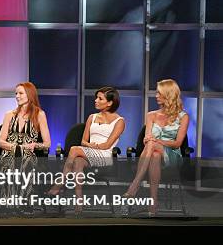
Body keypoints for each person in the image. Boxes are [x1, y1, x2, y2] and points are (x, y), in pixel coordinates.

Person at [47, 87, 125, 213]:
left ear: (110, 102)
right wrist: (90, 146)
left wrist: (92, 146)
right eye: (96, 98)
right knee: (78, 162)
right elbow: (83, 141)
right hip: (89, 152)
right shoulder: (92, 117)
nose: (95, 100)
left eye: (100, 98)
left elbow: (107, 145)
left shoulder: (119, 121)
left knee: (74, 149)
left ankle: (59, 184)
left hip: (105, 156)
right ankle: (79, 203)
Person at [123, 79, 189, 216]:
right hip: (153, 153)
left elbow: (177, 143)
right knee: (154, 154)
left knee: (153, 145)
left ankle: (135, 184)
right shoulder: (151, 115)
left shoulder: (183, 117)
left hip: (173, 156)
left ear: (169, 94)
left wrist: (157, 141)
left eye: (159, 93)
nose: (156, 96)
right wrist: (152, 141)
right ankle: (153, 202)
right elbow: (147, 138)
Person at [0, 82, 51, 213]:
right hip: (10, 151)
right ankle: (7, 203)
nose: (17, 96)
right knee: (9, 161)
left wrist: (34, 145)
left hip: (29, 153)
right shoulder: (9, 115)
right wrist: (16, 148)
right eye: (16, 93)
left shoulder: (39, 114)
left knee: (26, 160)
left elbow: (47, 143)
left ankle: (24, 202)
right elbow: (0, 141)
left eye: (20, 93)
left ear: (30, 94)